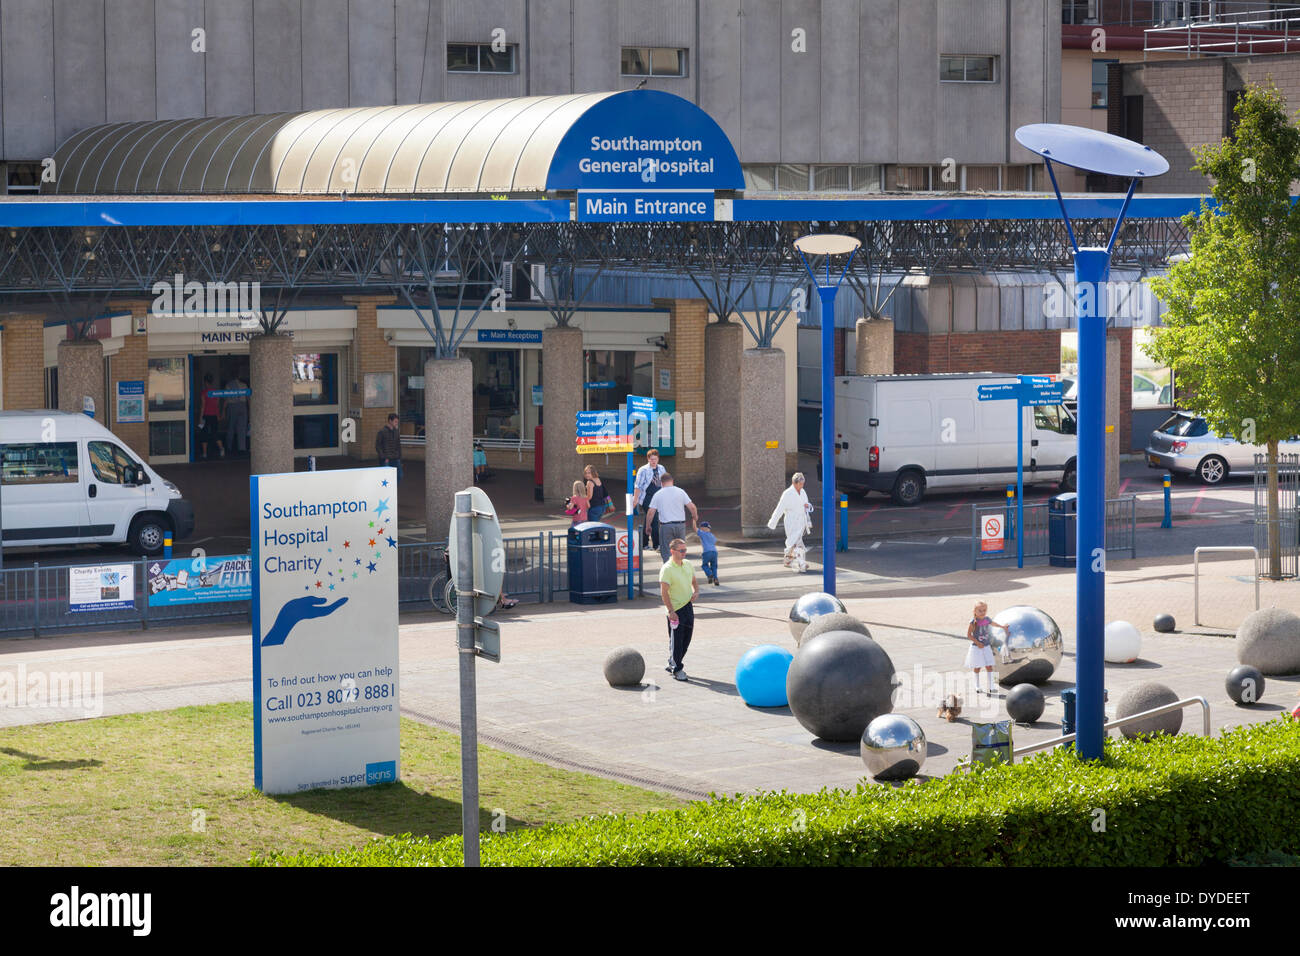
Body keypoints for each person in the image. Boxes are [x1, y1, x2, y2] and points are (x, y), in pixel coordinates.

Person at [659, 537, 699, 682]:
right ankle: (677, 669)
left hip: (687, 606)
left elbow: (694, 580)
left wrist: (696, 591)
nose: (684, 553)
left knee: (687, 639)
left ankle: (673, 662)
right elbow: (664, 592)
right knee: (676, 641)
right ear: (672, 551)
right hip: (675, 609)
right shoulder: (667, 569)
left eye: (685, 550)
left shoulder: (687, 564)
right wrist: (671, 611)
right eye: (681, 551)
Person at [644, 472, 698, 563]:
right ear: (672, 481)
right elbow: (692, 507)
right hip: (680, 526)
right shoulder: (680, 491)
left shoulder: (658, 494)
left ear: (661, 483)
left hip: (666, 527)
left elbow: (650, 512)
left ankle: (668, 572)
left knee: (666, 553)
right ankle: (680, 572)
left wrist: (648, 526)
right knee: (680, 551)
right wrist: (695, 516)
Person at [767, 472, 812, 569]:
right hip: (791, 521)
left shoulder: (803, 492)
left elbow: (806, 507)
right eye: (800, 484)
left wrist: (808, 520)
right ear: (794, 483)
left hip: (801, 521)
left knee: (796, 542)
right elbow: (779, 508)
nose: (802, 486)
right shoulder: (787, 494)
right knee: (794, 542)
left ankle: (788, 560)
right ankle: (801, 563)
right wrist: (772, 522)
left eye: (803, 484)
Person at [966, 601, 1008, 696]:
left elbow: (994, 624)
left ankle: (991, 686)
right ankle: (977, 685)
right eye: (980, 610)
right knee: (978, 667)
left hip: (986, 646)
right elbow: (968, 635)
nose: (982, 612)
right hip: (977, 647)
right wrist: (977, 642)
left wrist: (1003, 627)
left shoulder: (987, 619)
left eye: (984, 610)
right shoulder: (973, 622)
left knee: (989, 666)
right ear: (975, 611)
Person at [632, 449, 666, 550]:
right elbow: (638, 486)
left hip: (658, 497)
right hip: (647, 498)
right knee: (654, 520)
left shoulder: (661, 468)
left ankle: (644, 543)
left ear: (658, 459)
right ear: (648, 459)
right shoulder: (643, 470)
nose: (653, 461)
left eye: (655, 459)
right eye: (651, 459)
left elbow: (664, 482)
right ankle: (657, 545)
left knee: (649, 520)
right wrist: (635, 500)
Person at [198, 374, 224, 460]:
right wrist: (218, 415)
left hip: (206, 415)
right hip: (214, 415)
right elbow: (217, 405)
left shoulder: (204, 393)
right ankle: (221, 449)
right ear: (212, 382)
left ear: (205, 382)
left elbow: (203, 406)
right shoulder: (215, 393)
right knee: (215, 433)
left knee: (204, 434)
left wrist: (200, 418)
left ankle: (205, 453)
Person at [223, 374, 249, 457]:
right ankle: (242, 448)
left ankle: (229, 446)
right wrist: (249, 409)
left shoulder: (228, 385)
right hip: (243, 406)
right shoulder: (244, 385)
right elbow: (248, 398)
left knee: (231, 426)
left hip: (232, 406)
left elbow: (226, 399)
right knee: (242, 427)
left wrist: (223, 410)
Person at [376, 413, 403, 484]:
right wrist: (383, 457)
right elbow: (378, 446)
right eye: (395, 421)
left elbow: (398, 445)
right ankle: (386, 491)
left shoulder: (396, 432)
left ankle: (393, 489)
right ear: (390, 421)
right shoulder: (382, 432)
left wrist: (399, 457)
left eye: (397, 421)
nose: (397, 423)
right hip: (386, 459)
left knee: (399, 475)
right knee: (386, 477)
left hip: (395, 458)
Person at [695, 519, 720, 586]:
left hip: (707, 552)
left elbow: (695, 528)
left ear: (703, 528)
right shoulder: (712, 535)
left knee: (704, 565)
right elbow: (715, 541)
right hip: (714, 552)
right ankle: (716, 579)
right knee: (714, 566)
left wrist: (694, 520)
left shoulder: (702, 533)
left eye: (701, 527)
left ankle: (709, 575)